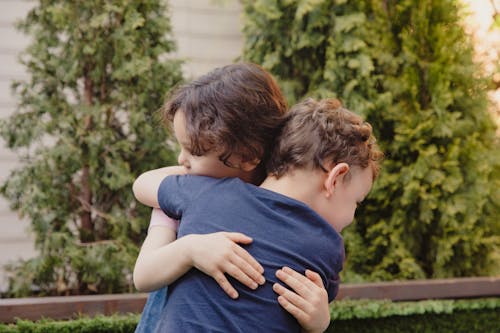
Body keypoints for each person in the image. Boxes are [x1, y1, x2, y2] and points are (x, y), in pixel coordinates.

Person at [134, 97, 382, 332]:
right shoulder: (327, 248)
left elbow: (144, 183)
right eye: (356, 202)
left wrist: (202, 179)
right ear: (335, 179)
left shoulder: (208, 192)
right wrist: (318, 323)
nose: (351, 217)